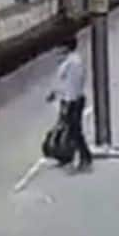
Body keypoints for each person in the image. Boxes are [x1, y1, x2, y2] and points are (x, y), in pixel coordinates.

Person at [46, 36, 92, 170]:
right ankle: (70, 157)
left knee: (74, 130)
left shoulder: (73, 63)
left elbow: (71, 84)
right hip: (71, 99)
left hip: (72, 100)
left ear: (66, 47)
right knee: (71, 129)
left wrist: (67, 102)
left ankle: (84, 158)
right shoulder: (70, 61)